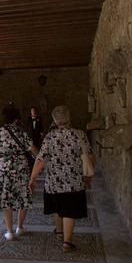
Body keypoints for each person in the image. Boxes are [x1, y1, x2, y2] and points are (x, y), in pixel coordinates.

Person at [29, 105, 93, 252]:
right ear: (69, 118)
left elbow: (40, 160)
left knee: (57, 207)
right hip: (74, 181)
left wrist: (32, 178)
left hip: (54, 182)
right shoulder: (79, 135)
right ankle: (67, 242)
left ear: (55, 120)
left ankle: (59, 232)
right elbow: (89, 156)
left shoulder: (50, 137)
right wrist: (89, 176)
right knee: (69, 211)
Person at [0, 105, 36, 240]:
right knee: (23, 197)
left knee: (5, 199)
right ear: (16, 119)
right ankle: (20, 227)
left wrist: (1, 153)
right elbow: (33, 149)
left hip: (3, 170)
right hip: (21, 169)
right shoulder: (21, 132)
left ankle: (9, 232)